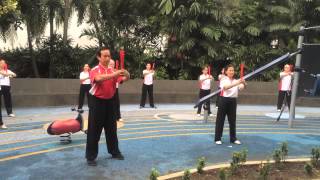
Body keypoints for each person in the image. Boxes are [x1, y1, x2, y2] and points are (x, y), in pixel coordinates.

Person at [85, 47, 130, 166]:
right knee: (94, 130)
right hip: (97, 102)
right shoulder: (94, 70)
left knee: (112, 129)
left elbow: (124, 79)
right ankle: (91, 157)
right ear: (99, 57)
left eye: (109, 56)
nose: (107, 58)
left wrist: (126, 73)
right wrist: (114, 73)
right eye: (104, 56)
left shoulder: (112, 70)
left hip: (110, 102)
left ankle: (114, 152)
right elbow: (98, 79)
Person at [215, 64, 246, 145]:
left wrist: (244, 83)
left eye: (233, 70)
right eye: (230, 70)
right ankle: (217, 138)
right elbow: (225, 87)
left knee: (232, 121)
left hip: (233, 101)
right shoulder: (223, 79)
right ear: (226, 72)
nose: (232, 72)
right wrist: (238, 82)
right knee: (220, 120)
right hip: (223, 100)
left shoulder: (236, 80)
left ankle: (233, 138)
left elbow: (242, 87)